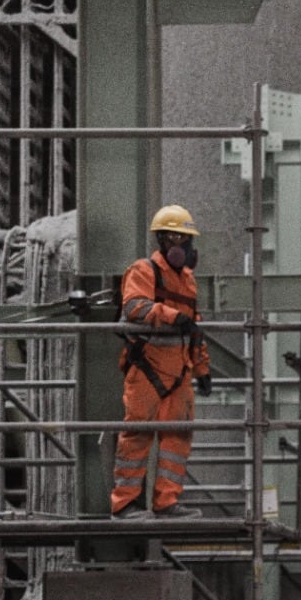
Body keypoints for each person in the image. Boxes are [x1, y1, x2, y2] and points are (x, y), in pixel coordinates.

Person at [110, 204, 213, 519]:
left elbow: (193, 326)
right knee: (138, 434)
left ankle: (167, 502)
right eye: (174, 238)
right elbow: (135, 308)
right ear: (162, 240)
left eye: (185, 238)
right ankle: (124, 504)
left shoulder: (188, 280)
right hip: (147, 368)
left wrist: (202, 368)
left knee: (177, 438)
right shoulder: (144, 271)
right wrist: (171, 316)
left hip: (179, 372)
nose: (180, 245)